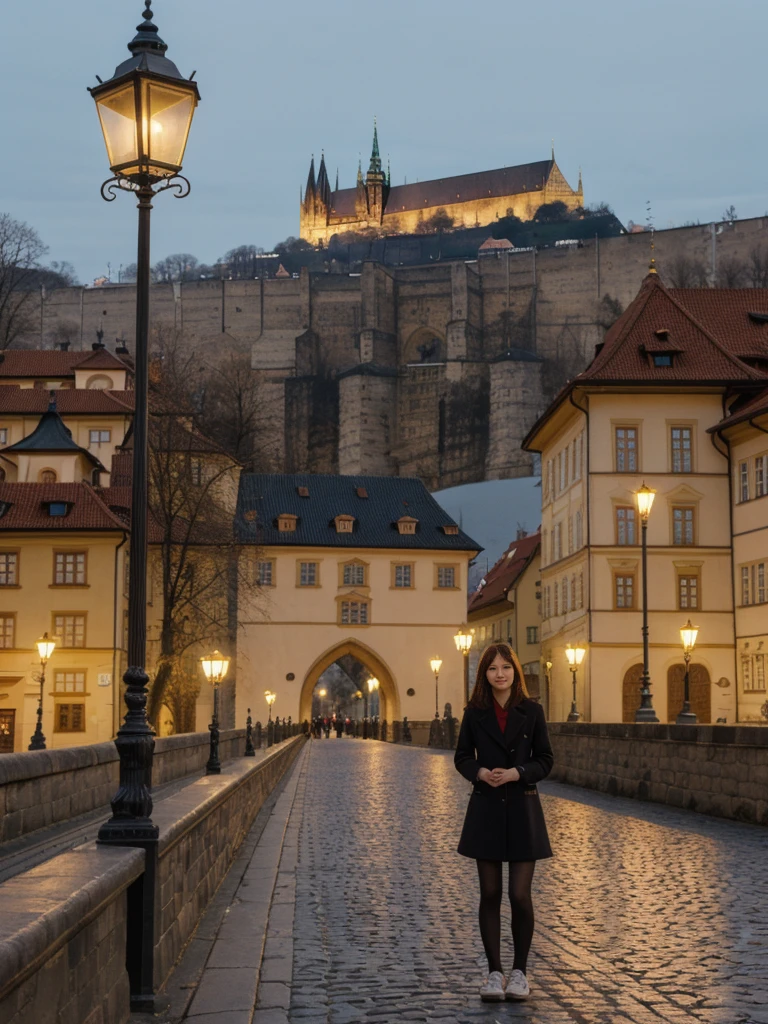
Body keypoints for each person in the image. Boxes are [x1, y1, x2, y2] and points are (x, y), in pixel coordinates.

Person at [454, 642, 553, 1004]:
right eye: (493, 668)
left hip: (523, 810)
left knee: (519, 895)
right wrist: (479, 772)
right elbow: (462, 756)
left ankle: (520, 973)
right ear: (485, 674)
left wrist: (518, 772)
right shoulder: (475, 712)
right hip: (487, 810)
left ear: (515, 672)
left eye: (506, 667)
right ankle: (494, 972)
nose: (500, 674)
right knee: (491, 894)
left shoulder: (533, 711)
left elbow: (545, 759)